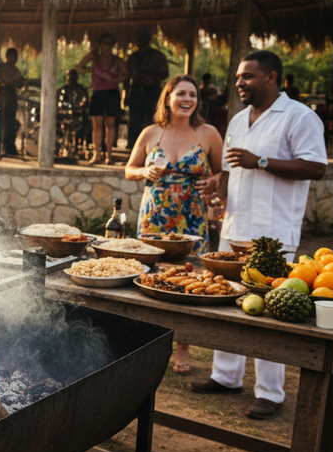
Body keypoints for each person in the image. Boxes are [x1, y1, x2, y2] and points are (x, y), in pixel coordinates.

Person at [190, 50, 327, 420]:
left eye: (248, 76)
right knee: (230, 299)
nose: (239, 83)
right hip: (236, 227)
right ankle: (226, 376)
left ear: (271, 77)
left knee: (270, 307)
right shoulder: (236, 119)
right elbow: (233, 172)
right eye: (238, 77)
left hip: (273, 231)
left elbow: (316, 166)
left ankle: (270, 391)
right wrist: (216, 189)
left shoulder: (299, 116)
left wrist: (262, 161)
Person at [125, 74, 224, 376]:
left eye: (192, 95)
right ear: (168, 98)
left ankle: (183, 346)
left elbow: (223, 173)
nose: (187, 100)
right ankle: (145, 343)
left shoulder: (207, 133)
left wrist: (213, 182)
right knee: (150, 275)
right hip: (155, 215)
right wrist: (144, 172)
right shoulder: (150, 132)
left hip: (192, 215)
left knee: (189, 279)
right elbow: (129, 169)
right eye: (181, 93)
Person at [76, 33, 129, 165]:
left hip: (111, 93)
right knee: (96, 124)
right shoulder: (95, 59)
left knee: (110, 124)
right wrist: (90, 57)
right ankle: (96, 154)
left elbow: (127, 75)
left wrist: (114, 80)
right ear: (100, 45)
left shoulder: (117, 60)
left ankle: (109, 156)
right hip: (97, 93)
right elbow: (79, 68)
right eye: (105, 43)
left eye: (110, 43)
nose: (107, 46)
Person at [125, 28, 169, 150]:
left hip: (153, 91)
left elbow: (165, 74)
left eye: (145, 40)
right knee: (134, 120)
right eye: (140, 40)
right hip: (137, 91)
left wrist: (152, 77)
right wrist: (126, 94)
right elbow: (126, 76)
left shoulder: (158, 56)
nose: (142, 42)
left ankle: (154, 146)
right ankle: (133, 147)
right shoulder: (133, 57)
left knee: (154, 119)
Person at [0, 48, 24, 157]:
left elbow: (21, 83)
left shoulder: (16, 70)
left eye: (16, 57)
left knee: (11, 124)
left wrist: (19, 83)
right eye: (12, 57)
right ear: (7, 56)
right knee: (0, 125)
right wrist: (4, 82)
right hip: (2, 99)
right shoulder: (0, 68)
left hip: (12, 100)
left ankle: (10, 148)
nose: (14, 59)